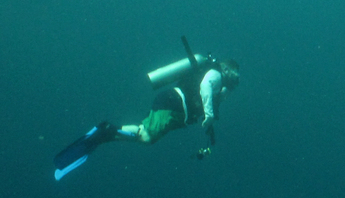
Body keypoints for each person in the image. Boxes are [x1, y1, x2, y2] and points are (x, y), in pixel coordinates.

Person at [53, 56, 240, 180]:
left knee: (143, 133)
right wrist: (209, 114)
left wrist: (210, 119)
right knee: (146, 137)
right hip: (174, 106)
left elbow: (207, 96)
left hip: (172, 104)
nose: (233, 83)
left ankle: (107, 135)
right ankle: (108, 130)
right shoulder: (215, 74)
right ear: (227, 70)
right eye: (234, 77)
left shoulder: (216, 81)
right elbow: (205, 86)